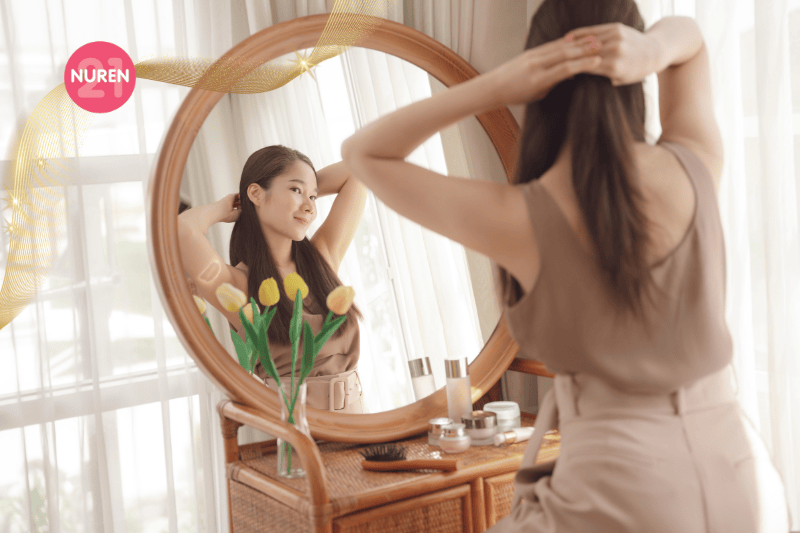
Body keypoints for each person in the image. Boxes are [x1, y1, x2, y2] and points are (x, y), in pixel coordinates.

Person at [340, 1, 791, 531]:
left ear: (538, 84)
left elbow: (363, 154)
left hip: (618, 490)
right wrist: (652, 51)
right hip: (744, 479)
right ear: (632, 74)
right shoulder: (693, 164)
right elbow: (689, 41)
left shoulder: (524, 217)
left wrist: (496, 86)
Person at [178, 145, 369, 414]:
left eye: (313, 197)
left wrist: (304, 187)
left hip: (360, 422)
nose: (309, 207)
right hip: (299, 433)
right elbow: (182, 229)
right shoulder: (236, 287)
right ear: (255, 193)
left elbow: (359, 172)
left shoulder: (321, 261)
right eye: (295, 190)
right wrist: (227, 207)